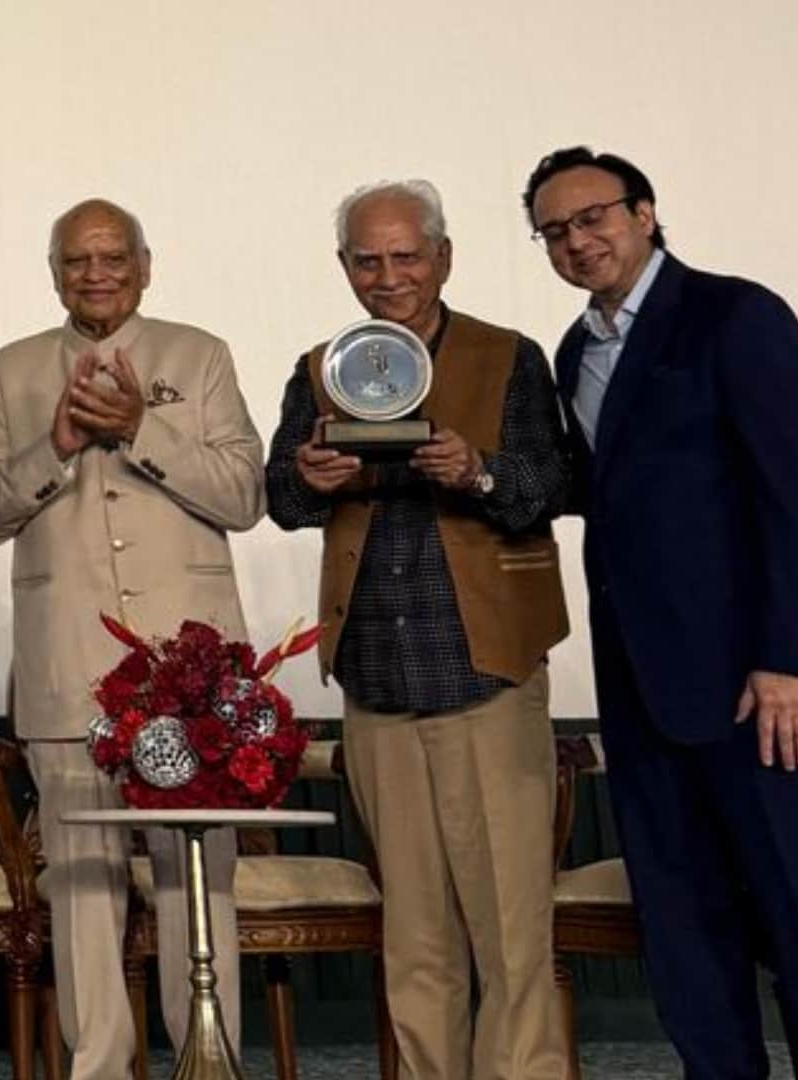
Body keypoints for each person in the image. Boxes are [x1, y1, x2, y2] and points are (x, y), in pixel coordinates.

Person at [524, 146, 798, 1076]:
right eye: (556, 230)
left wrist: (790, 658)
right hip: (647, 695)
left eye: (594, 216)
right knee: (686, 935)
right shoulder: (576, 352)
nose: (578, 240)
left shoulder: (737, 315)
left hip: (764, 690)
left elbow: (797, 493)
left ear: (645, 214)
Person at [0, 198, 264, 1078]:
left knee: (197, 882)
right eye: (77, 261)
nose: (96, 274)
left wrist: (138, 428)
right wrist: (51, 447)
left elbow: (244, 494)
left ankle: (210, 1058)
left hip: (191, 673)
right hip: (69, 669)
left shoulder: (199, 356)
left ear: (146, 264)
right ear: (54, 273)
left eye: (113, 258)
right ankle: (98, 1065)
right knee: (82, 887)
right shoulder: (11, 371)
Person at [265, 180, 569, 1078]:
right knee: (415, 933)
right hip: (376, 674)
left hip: (487, 670)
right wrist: (311, 479)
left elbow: (551, 485)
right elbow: (280, 499)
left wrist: (477, 472)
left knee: (512, 933)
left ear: (442, 257)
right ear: (346, 269)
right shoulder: (320, 364)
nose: (388, 276)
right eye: (369, 259)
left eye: (406, 256)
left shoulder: (510, 357)